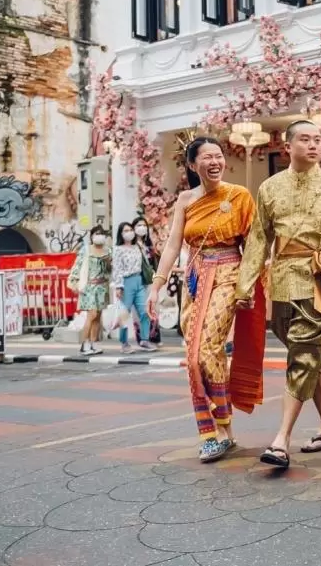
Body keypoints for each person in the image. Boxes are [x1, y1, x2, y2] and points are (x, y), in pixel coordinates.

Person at [235, 120, 321, 469]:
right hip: (279, 282)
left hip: (319, 280)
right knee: (305, 350)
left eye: (317, 140)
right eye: (304, 139)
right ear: (287, 146)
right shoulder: (270, 188)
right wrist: (244, 286)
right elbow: (259, 240)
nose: (313, 145)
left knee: (303, 354)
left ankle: (281, 440)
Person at [144, 137, 266, 463]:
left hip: (228, 272)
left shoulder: (238, 196)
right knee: (193, 355)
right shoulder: (185, 199)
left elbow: (254, 244)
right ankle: (210, 430)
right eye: (207, 157)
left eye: (219, 156)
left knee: (208, 349)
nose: (215, 162)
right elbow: (172, 246)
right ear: (192, 165)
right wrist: (156, 285)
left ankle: (224, 428)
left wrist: (247, 287)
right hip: (195, 278)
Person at [112, 221, 157, 353]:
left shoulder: (137, 247)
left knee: (144, 311)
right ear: (121, 233)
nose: (129, 232)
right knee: (124, 314)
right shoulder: (118, 250)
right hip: (126, 282)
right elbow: (117, 269)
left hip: (139, 281)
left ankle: (144, 339)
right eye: (125, 231)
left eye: (130, 230)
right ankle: (124, 343)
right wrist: (119, 286)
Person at [67, 225, 112, 355]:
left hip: (102, 287)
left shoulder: (108, 250)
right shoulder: (85, 250)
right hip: (89, 287)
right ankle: (84, 343)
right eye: (96, 233)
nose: (99, 236)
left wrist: (108, 262)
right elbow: (77, 265)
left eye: (102, 233)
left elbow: (109, 270)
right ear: (92, 236)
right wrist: (74, 281)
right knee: (91, 315)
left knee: (98, 316)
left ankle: (93, 342)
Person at [132, 217, 162, 345]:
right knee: (140, 311)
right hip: (137, 282)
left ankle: (153, 336)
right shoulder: (131, 246)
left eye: (144, 225)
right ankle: (142, 338)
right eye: (139, 225)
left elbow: (154, 263)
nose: (142, 228)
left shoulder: (148, 245)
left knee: (153, 308)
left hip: (150, 281)